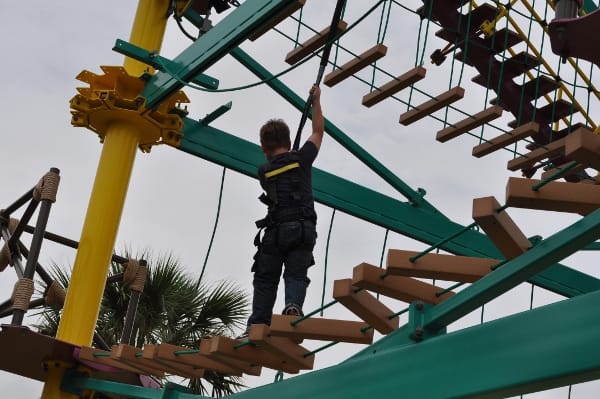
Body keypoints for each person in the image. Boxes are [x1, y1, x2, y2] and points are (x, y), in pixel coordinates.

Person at [241, 85, 324, 337]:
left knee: (266, 279)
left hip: (276, 232)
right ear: (289, 142)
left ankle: (257, 324)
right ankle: (293, 305)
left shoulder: (264, 171)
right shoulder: (303, 158)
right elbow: (318, 131)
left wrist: (289, 155)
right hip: (302, 229)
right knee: (296, 274)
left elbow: (279, 165)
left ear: (263, 148)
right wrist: (316, 102)